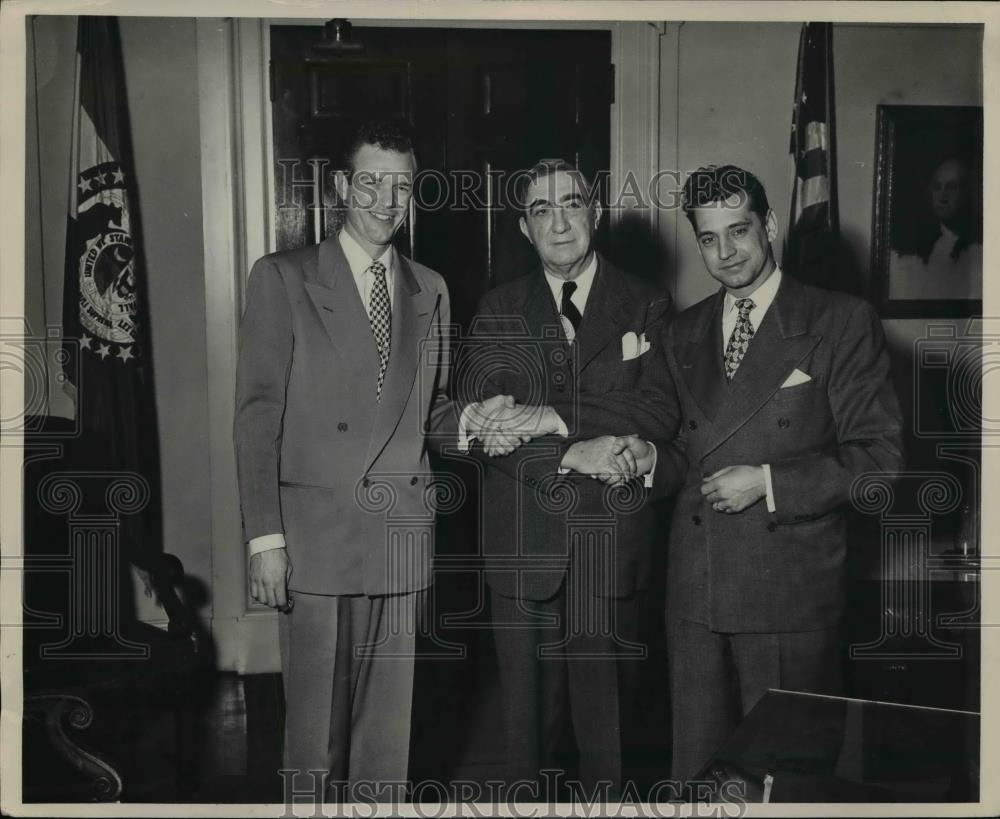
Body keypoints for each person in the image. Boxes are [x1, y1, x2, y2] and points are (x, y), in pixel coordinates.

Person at [233, 121, 463, 801]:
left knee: (386, 744)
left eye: (401, 185)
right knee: (315, 740)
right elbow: (256, 414)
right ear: (340, 187)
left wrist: (482, 425)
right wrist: (264, 537)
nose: (386, 200)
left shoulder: (433, 289)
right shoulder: (284, 278)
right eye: (371, 182)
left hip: (399, 538)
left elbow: (436, 414)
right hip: (313, 541)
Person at [665, 165, 904, 785]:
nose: (726, 253)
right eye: (709, 238)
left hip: (788, 593)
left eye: (739, 231)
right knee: (699, 776)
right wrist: (637, 458)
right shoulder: (681, 330)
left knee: (787, 781)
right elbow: (678, 454)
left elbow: (879, 462)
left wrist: (769, 483)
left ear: (770, 225)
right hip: (694, 592)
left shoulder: (840, 321)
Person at [455, 159, 685, 796]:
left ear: (596, 212)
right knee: (526, 749)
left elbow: (660, 409)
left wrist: (552, 417)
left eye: (572, 204)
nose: (559, 222)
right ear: (524, 229)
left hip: (611, 552)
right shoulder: (498, 309)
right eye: (540, 210)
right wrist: (569, 455)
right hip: (524, 550)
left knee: (611, 748)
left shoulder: (648, 301)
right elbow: (486, 434)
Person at [889, 156, 982, 300]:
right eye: (937, 187)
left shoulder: (982, 248)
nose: (942, 196)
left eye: (952, 187)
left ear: (968, 193)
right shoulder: (917, 249)